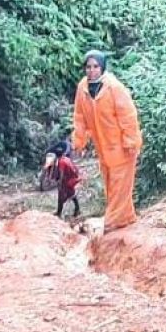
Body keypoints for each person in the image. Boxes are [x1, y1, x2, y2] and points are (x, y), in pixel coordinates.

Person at [71, 50, 142, 233]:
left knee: (120, 186)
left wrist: (130, 141)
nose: (92, 71)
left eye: (95, 66)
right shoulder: (83, 88)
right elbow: (80, 117)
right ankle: (125, 218)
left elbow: (128, 115)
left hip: (122, 147)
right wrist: (79, 141)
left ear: (102, 67)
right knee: (111, 186)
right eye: (88, 67)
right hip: (103, 148)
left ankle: (113, 223)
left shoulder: (114, 88)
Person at [52, 141, 81, 219]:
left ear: (56, 155)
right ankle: (77, 209)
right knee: (72, 194)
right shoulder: (66, 158)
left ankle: (59, 212)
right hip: (72, 179)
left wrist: (60, 183)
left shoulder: (61, 162)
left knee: (62, 195)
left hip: (67, 181)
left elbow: (61, 174)